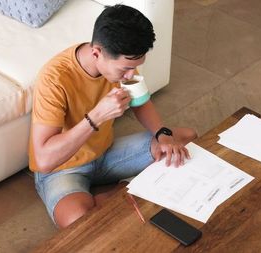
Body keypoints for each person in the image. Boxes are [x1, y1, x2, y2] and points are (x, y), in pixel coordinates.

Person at [29, 4, 197, 228]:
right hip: (63, 168)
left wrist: (163, 134)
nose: (130, 75)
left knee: (185, 139)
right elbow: (44, 159)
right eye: (126, 69)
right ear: (96, 52)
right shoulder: (55, 79)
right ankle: (124, 192)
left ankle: (118, 192)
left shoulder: (122, 63)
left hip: (106, 154)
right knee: (78, 221)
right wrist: (96, 117)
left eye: (135, 67)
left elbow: (141, 103)